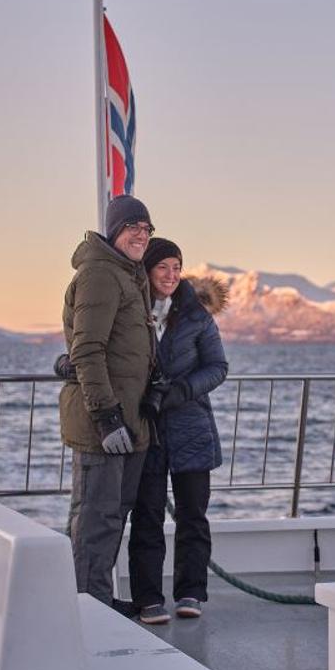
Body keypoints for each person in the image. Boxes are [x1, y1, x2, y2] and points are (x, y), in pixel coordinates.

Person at [58, 194, 158, 611]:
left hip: (129, 420)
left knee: (112, 517)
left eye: (146, 228)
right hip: (104, 424)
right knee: (95, 521)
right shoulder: (101, 274)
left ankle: (97, 598)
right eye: (133, 226)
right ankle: (85, 608)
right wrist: (107, 416)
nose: (141, 234)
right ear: (114, 230)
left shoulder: (128, 276)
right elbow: (88, 349)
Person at [126, 237, 229, 625]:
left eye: (176, 267)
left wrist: (183, 390)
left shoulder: (196, 315)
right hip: (147, 429)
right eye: (162, 267)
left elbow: (218, 366)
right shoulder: (131, 309)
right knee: (147, 516)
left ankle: (190, 593)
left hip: (191, 427)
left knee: (192, 516)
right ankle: (148, 598)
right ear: (147, 270)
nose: (170, 275)